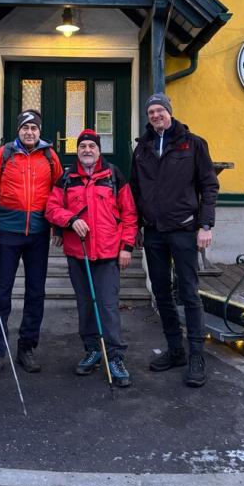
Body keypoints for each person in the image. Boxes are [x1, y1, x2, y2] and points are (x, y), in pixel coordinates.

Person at [130, 93, 219, 388]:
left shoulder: (192, 143)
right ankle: (175, 349)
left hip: (183, 228)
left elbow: (209, 185)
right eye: (151, 111)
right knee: (161, 293)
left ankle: (196, 356)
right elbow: (135, 190)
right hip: (154, 231)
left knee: (189, 293)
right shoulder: (141, 148)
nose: (156, 115)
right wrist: (137, 227)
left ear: (169, 112)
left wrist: (205, 225)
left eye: (160, 110)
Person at [45, 129, 138, 387]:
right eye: (83, 146)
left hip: (108, 253)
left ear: (99, 150)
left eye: (91, 146)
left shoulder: (114, 175)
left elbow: (129, 214)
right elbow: (52, 209)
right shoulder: (66, 178)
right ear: (78, 150)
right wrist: (70, 220)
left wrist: (127, 247)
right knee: (86, 305)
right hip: (79, 254)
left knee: (107, 306)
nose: (87, 150)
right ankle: (92, 350)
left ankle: (115, 356)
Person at [0, 110, 63, 378]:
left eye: (34, 128)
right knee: (1, 293)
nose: (30, 132)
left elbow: (60, 193)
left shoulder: (50, 157)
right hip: (7, 232)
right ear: (18, 130)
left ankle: (26, 347)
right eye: (25, 128)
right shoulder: (3, 155)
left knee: (35, 293)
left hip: (38, 234)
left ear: (40, 131)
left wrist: (57, 227)